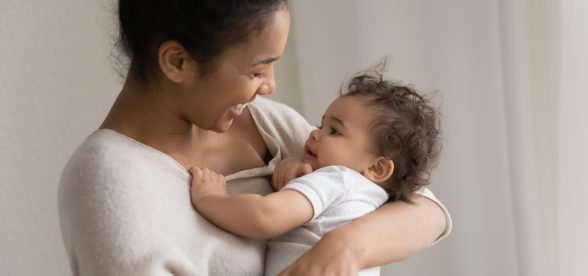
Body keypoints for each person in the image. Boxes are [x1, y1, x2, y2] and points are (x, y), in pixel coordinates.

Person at [57, 0, 451, 275]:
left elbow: (426, 210)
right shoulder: (108, 178)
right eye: (256, 70)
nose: (270, 87)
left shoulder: (266, 123)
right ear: (178, 62)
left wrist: (345, 247)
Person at [189, 68, 449, 276]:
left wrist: (211, 199)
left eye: (334, 131)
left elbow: (264, 216)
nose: (314, 133)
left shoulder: (336, 179)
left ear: (377, 167)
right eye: (321, 124)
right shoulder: (375, 198)